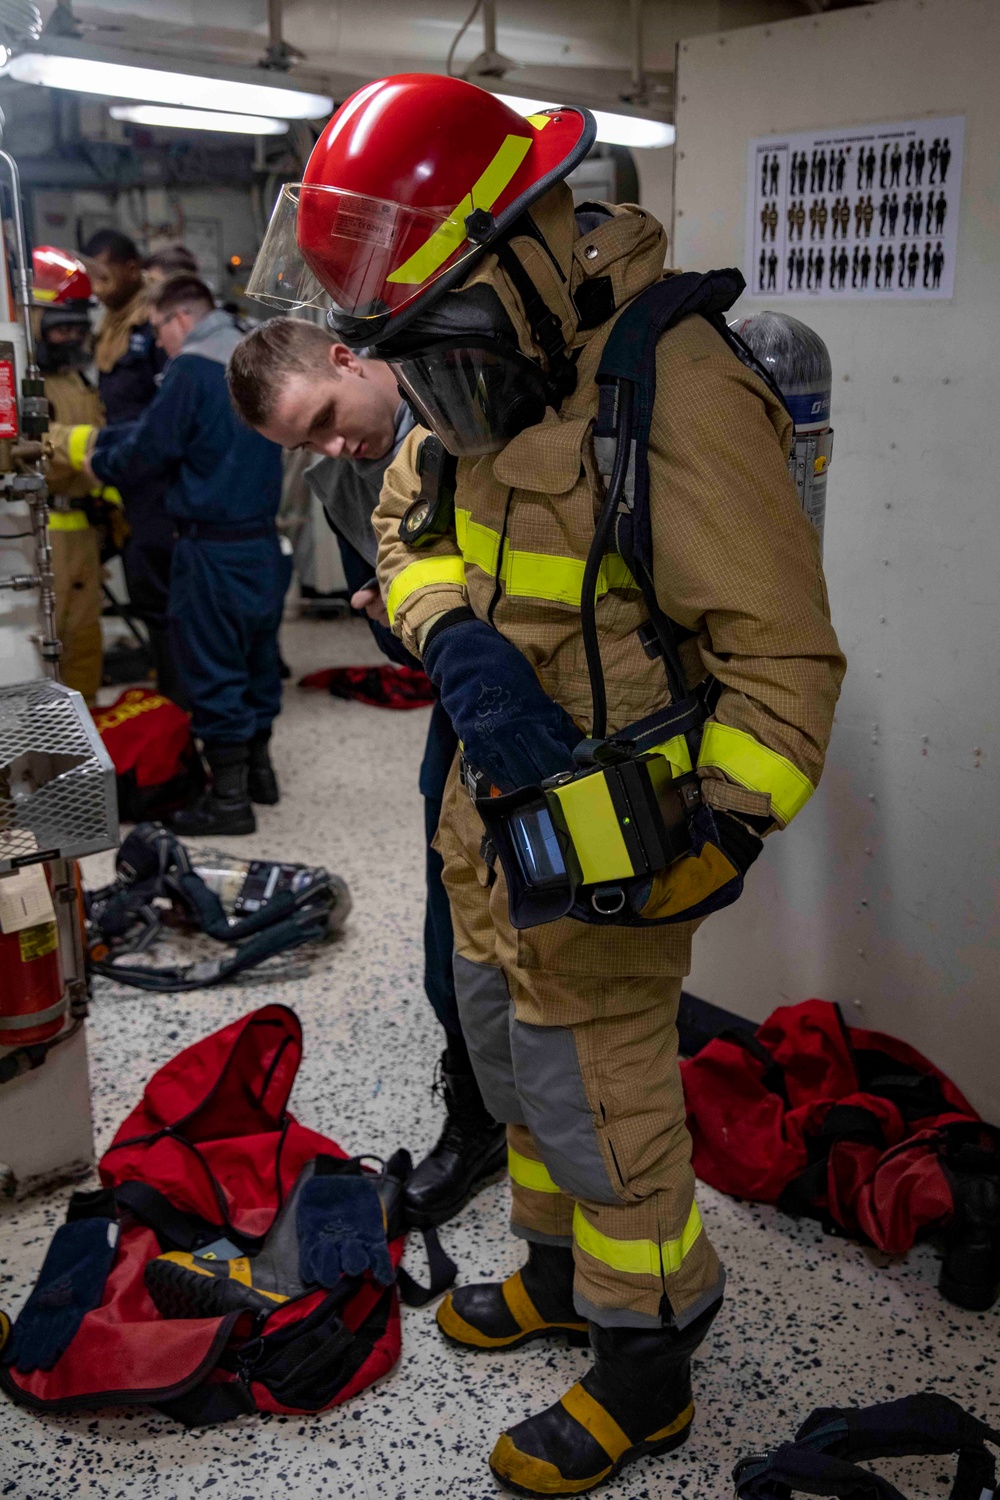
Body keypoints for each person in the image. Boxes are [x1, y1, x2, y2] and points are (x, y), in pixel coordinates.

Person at [252, 76, 845, 1495]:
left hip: (613, 829)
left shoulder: (676, 387)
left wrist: (694, 836)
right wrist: (454, 635)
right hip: (491, 824)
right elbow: (408, 512)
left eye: (433, 354)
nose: (431, 395)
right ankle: (554, 1273)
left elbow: (785, 667)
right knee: (516, 1064)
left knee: (604, 1094)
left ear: (519, 255)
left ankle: (646, 1360)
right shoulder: (478, 365)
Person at [227, 316, 507, 1228]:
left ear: (347, 358)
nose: (334, 443)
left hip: (579, 685)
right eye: (305, 440)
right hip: (467, 703)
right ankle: (477, 1124)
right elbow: (391, 629)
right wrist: (392, 612)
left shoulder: (476, 395)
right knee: (450, 923)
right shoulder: (338, 479)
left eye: (327, 416)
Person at [76, 275, 290, 834]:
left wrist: (96, 463)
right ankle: (261, 776)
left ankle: (229, 804)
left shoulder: (193, 370)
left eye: (158, 330)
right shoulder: (256, 357)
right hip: (263, 544)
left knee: (214, 666)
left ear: (179, 319)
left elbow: (152, 448)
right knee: (258, 660)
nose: (158, 344)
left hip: (210, 548)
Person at [82, 228, 181, 702]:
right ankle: (168, 690)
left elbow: (163, 416)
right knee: (145, 595)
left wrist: (105, 452)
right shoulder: (111, 325)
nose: (96, 288)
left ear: (128, 268)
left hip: (154, 482)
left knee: (164, 600)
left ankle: (181, 702)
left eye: (103, 276)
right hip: (126, 476)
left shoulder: (149, 324)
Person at [31, 247, 113, 702]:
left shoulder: (77, 381)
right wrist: (99, 448)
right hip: (40, 540)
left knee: (85, 651)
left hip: (84, 538)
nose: (70, 339)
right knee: (47, 655)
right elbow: (33, 444)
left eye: (78, 330)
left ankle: (89, 757)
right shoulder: (21, 384)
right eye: (60, 328)